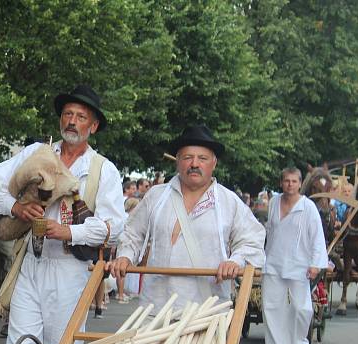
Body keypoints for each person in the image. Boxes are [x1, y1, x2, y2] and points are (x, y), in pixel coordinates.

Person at [0, 85, 125, 344]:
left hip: (71, 270)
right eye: (67, 114)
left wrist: (69, 232)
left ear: (93, 126)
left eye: (81, 116)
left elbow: (115, 226)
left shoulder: (103, 168)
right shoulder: (38, 153)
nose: (72, 121)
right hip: (32, 262)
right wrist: (17, 208)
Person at [109, 125, 265, 315]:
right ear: (178, 162)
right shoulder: (156, 197)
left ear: (213, 163)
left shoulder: (228, 201)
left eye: (202, 158)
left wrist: (235, 261)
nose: (194, 164)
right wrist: (125, 257)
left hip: (206, 312)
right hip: (155, 308)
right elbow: (132, 234)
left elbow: (252, 240)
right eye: (187, 157)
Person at [262, 168, 328, 344]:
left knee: (302, 308)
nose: (290, 184)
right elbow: (269, 231)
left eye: (293, 181)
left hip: (299, 264)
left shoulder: (308, 207)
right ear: (281, 183)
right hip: (273, 261)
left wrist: (316, 264)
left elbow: (317, 237)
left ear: (300, 184)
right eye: (286, 181)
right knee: (273, 306)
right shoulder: (274, 202)